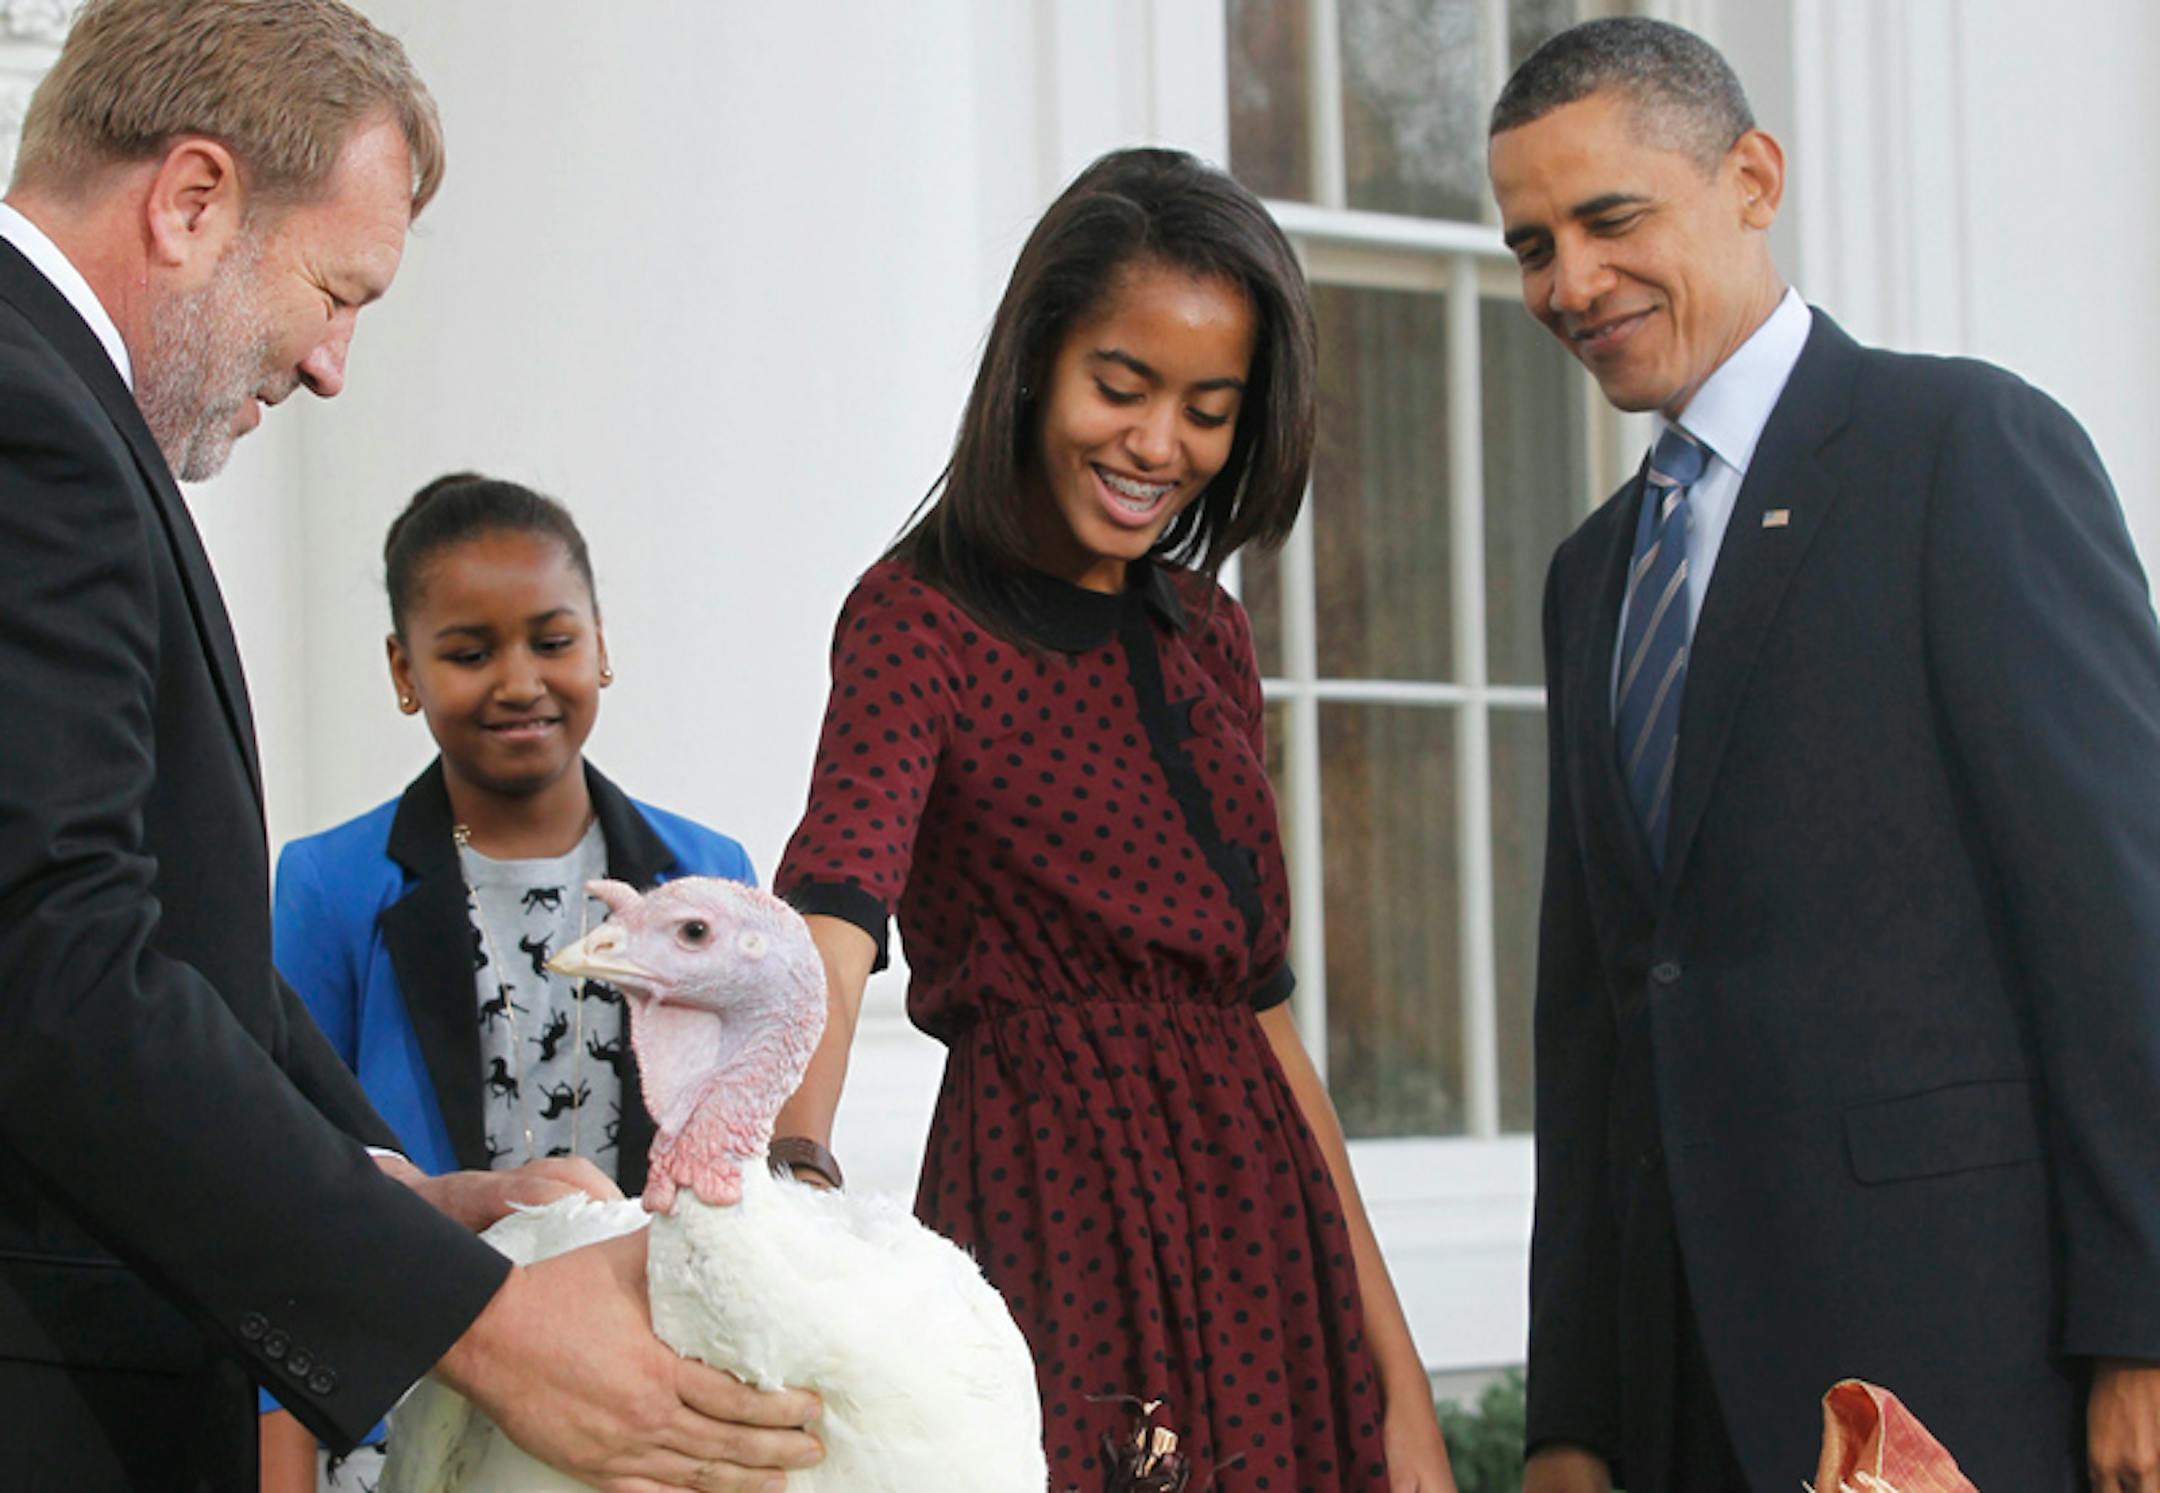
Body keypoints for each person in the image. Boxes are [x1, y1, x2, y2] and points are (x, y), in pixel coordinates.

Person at [0, 3, 820, 1488]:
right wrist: (482, 1326)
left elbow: (159, 944)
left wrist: (400, 1196)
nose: (331, 365)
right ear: (191, 202)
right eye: (333, 289)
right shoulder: (25, 419)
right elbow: (49, 964)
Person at [1487, 18, 2160, 1493]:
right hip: (1683, 1403)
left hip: (1961, 1369)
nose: (1569, 284)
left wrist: (2146, 1331)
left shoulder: (1963, 447)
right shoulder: (1591, 572)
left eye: (1610, 220)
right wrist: (1576, 1419)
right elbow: (1595, 1023)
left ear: (1751, 177)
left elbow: (2121, 923)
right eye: (1533, 244)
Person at [769, 145, 1457, 1492]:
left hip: (1267, 1245)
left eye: (1209, 408)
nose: (1160, 448)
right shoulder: (916, 619)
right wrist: (788, 1190)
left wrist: (1400, 1382)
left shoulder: (1206, 634)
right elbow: (834, 912)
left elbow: (1263, 1018)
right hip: (1056, 1216)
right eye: (1122, 386)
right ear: (1035, 365)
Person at [257, 473, 762, 1491]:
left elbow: (741, 1177)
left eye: (553, 638)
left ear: (603, 644)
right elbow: (285, 1183)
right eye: (468, 651)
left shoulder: (710, 876)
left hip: (645, 1405)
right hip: (412, 1411)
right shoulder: (327, 884)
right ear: (404, 669)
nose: (518, 679)